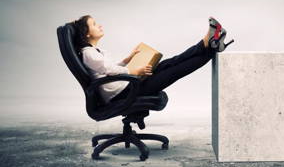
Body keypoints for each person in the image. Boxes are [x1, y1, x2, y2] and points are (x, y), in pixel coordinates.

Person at [72, 15, 234, 104]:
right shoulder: (88, 53)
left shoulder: (96, 51)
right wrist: (134, 71)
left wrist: (128, 59)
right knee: (174, 71)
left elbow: (108, 68)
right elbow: (108, 70)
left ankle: (206, 43)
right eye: (94, 24)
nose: (99, 25)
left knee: (169, 62)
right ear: (87, 33)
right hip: (123, 93)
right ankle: (211, 48)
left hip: (128, 85)